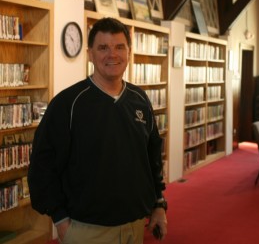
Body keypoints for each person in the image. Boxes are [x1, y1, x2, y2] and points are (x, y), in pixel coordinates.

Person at [28, 17, 167, 244]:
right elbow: (42, 167)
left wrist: (159, 204)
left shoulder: (140, 99)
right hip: (86, 230)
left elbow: (152, 159)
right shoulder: (67, 104)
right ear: (90, 54)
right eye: (103, 48)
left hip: (134, 225)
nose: (112, 55)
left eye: (119, 47)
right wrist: (61, 220)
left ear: (129, 53)